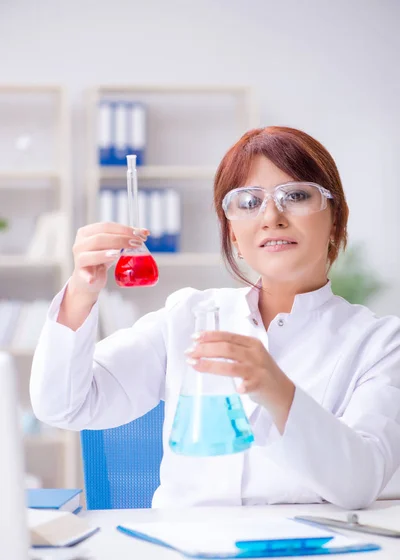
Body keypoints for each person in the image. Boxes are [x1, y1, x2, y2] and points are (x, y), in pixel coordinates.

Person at [30, 126, 400, 510]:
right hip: (183, 556)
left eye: (295, 195)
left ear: (336, 220)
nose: (271, 216)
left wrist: (275, 388)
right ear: (233, 235)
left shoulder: (380, 343)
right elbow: (64, 406)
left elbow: (360, 482)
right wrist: (81, 291)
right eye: (248, 201)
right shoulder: (187, 316)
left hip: (307, 557)